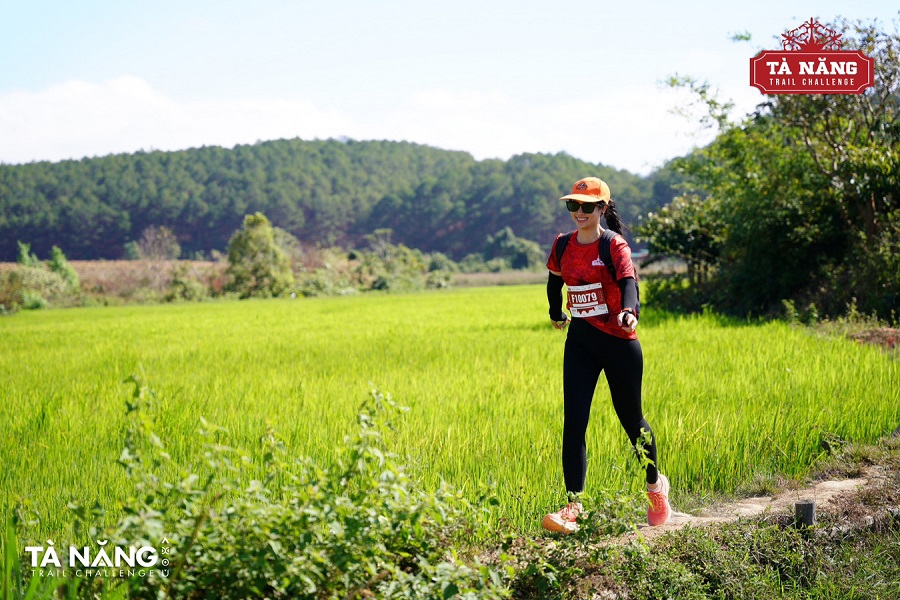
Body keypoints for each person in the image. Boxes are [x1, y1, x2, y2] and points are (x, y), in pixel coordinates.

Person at [542, 176, 670, 534]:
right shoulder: (563, 245)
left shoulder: (614, 245)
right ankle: (573, 506)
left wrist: (630, 312)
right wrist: (556, 312)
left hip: (618, 341)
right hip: (580, 341)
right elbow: (555, 281)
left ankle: (655, 487)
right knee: (574, 422)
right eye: (573, 206)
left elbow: (629, 283)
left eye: (586, 206)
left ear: (602, 209)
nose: (579, 213)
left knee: (632, 421)